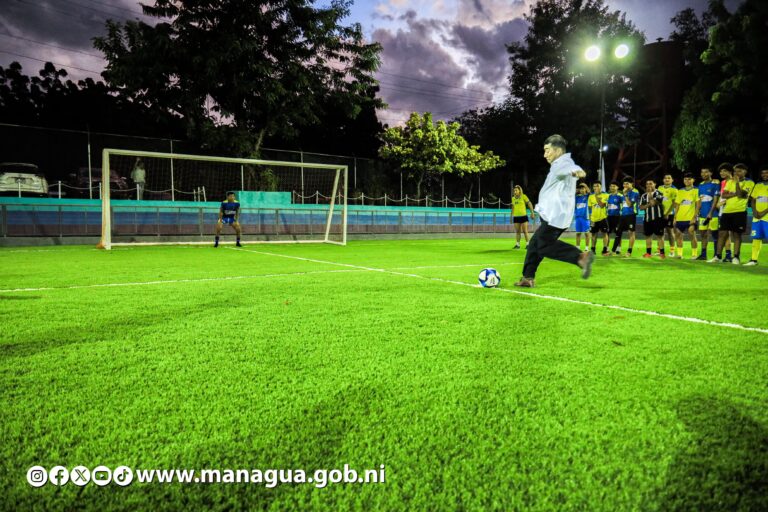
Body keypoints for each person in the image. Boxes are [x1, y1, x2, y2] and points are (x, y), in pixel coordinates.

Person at [513, 134, 594, 288]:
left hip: (555, 217)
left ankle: (580, 257)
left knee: (543, 246)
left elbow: (569, 169)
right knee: (534, 246)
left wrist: (577, 171)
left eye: (547, 150)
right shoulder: (560, 164)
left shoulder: (562, 164)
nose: (545, 154)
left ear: (558, 150)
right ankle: (527, 277)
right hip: (553, 216)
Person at [710, 163, 754, 264]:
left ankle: (736, 257)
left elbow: (741, 195)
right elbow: (724, 195)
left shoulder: (750, 182)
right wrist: (734, 193)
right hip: (727, 211)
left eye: (739, 171)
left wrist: (737, 184)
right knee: (722, 233)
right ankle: (718, 256)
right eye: (735, 171)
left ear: (745, 172)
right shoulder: (730, 181)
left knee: (736, 235)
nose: (736, 173)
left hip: (740, 211)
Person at [672, 173, 701, 259]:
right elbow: (677, 205)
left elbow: (698, 204)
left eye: (689, 179)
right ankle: (680, 254)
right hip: (680, 217)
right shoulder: (680, 191)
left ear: (693, 180)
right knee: (678, 235)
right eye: (685, 179)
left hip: (691, 217)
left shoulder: (696, 190)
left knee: (691, 233)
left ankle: (694, 254)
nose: (687, 181)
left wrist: (695, 217)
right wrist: (675, 217)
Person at [696, 167, 720, 260]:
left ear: (711, 173)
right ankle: (703, 254)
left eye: (706, 172)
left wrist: (710, 212)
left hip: (713, 215)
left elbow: (715, 199)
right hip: (702, 214)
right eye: (702, 172)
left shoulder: (715, 183)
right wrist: (697, 213)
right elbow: (699, 200)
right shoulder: (700, 185)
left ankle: (716, 255)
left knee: (715, 235)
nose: (703, 174)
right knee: (703, 234)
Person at [745, 167, 768, 266]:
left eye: (767, 173)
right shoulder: (758, 185)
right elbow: (753, 199)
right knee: (756, 238)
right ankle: (753, 260)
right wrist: (755, 212)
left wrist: (764, 212)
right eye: (763, 173)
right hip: (757, 217)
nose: (764, 175)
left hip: (766, 216)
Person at [639, 179, 666, 259]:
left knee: (659, 236)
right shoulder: (643, 195)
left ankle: (662, 253)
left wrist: (650, 193)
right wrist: (647, 205)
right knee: (648, 236)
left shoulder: (659, 193)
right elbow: (641, 207)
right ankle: (648, 253)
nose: (648, 185)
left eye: (650, 184)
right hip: (647, 218)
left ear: (655, 184)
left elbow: (653, 203)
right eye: (647, 184)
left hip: (658, 218)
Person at [615, 178, 639, 257]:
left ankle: (629, 251)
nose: (625, 185)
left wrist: (625, 194)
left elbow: (629, 204)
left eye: (627, 183)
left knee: (631, 232)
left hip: (631, 215)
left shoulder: (635, 192)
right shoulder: (622, 193)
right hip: (623, 215)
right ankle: (618, 249)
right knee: (618, 232)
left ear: (632, 184)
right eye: (624, 184)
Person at [588, 182, 610, 255]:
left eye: (597, 186)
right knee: (593, 234)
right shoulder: (590, 197)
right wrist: (590, 217)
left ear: (601, 187)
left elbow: (601, 205)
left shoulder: (606, 195)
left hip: (603, 218)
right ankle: (593, 249)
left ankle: (604, 249)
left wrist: (597, 196)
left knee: (605, 234)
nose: (595, 187)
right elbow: (590, 207)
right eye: (594, 186)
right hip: (593, 219)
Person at [659, 173, 678, 257]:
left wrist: (666, 213)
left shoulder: (674, 190)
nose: (667, 179)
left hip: (669, 214)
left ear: (672, 180)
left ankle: (672, 251)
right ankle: (660, 250)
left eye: (669, 178)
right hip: (660, 214)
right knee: (660, 232)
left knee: (670, 232)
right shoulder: (660, 188)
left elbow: (674, 204)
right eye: (665, 178)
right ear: (663, 180)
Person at [606, 182, 624, 255]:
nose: (612, 187)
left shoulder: (620, 196)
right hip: (609, 216)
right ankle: (606, 248)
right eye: (611, 186)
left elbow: (623, 205)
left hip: (617, 217)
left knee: (618, 233)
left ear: (617, 187)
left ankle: (618, 248)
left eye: (614, 186)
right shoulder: (607, 196)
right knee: (607, 233)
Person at [574, 183, 591, 251]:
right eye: (580, 188)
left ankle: (586, 248)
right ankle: (577, 248)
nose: (581, 190)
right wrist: (575, 191)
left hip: (585, 218)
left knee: (587, 234)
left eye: (583, 188)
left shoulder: (587, 196)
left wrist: (586, 185)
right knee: (578, 233)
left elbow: (589, 192)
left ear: (585, 189)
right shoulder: (577, 197)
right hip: (578, 217)